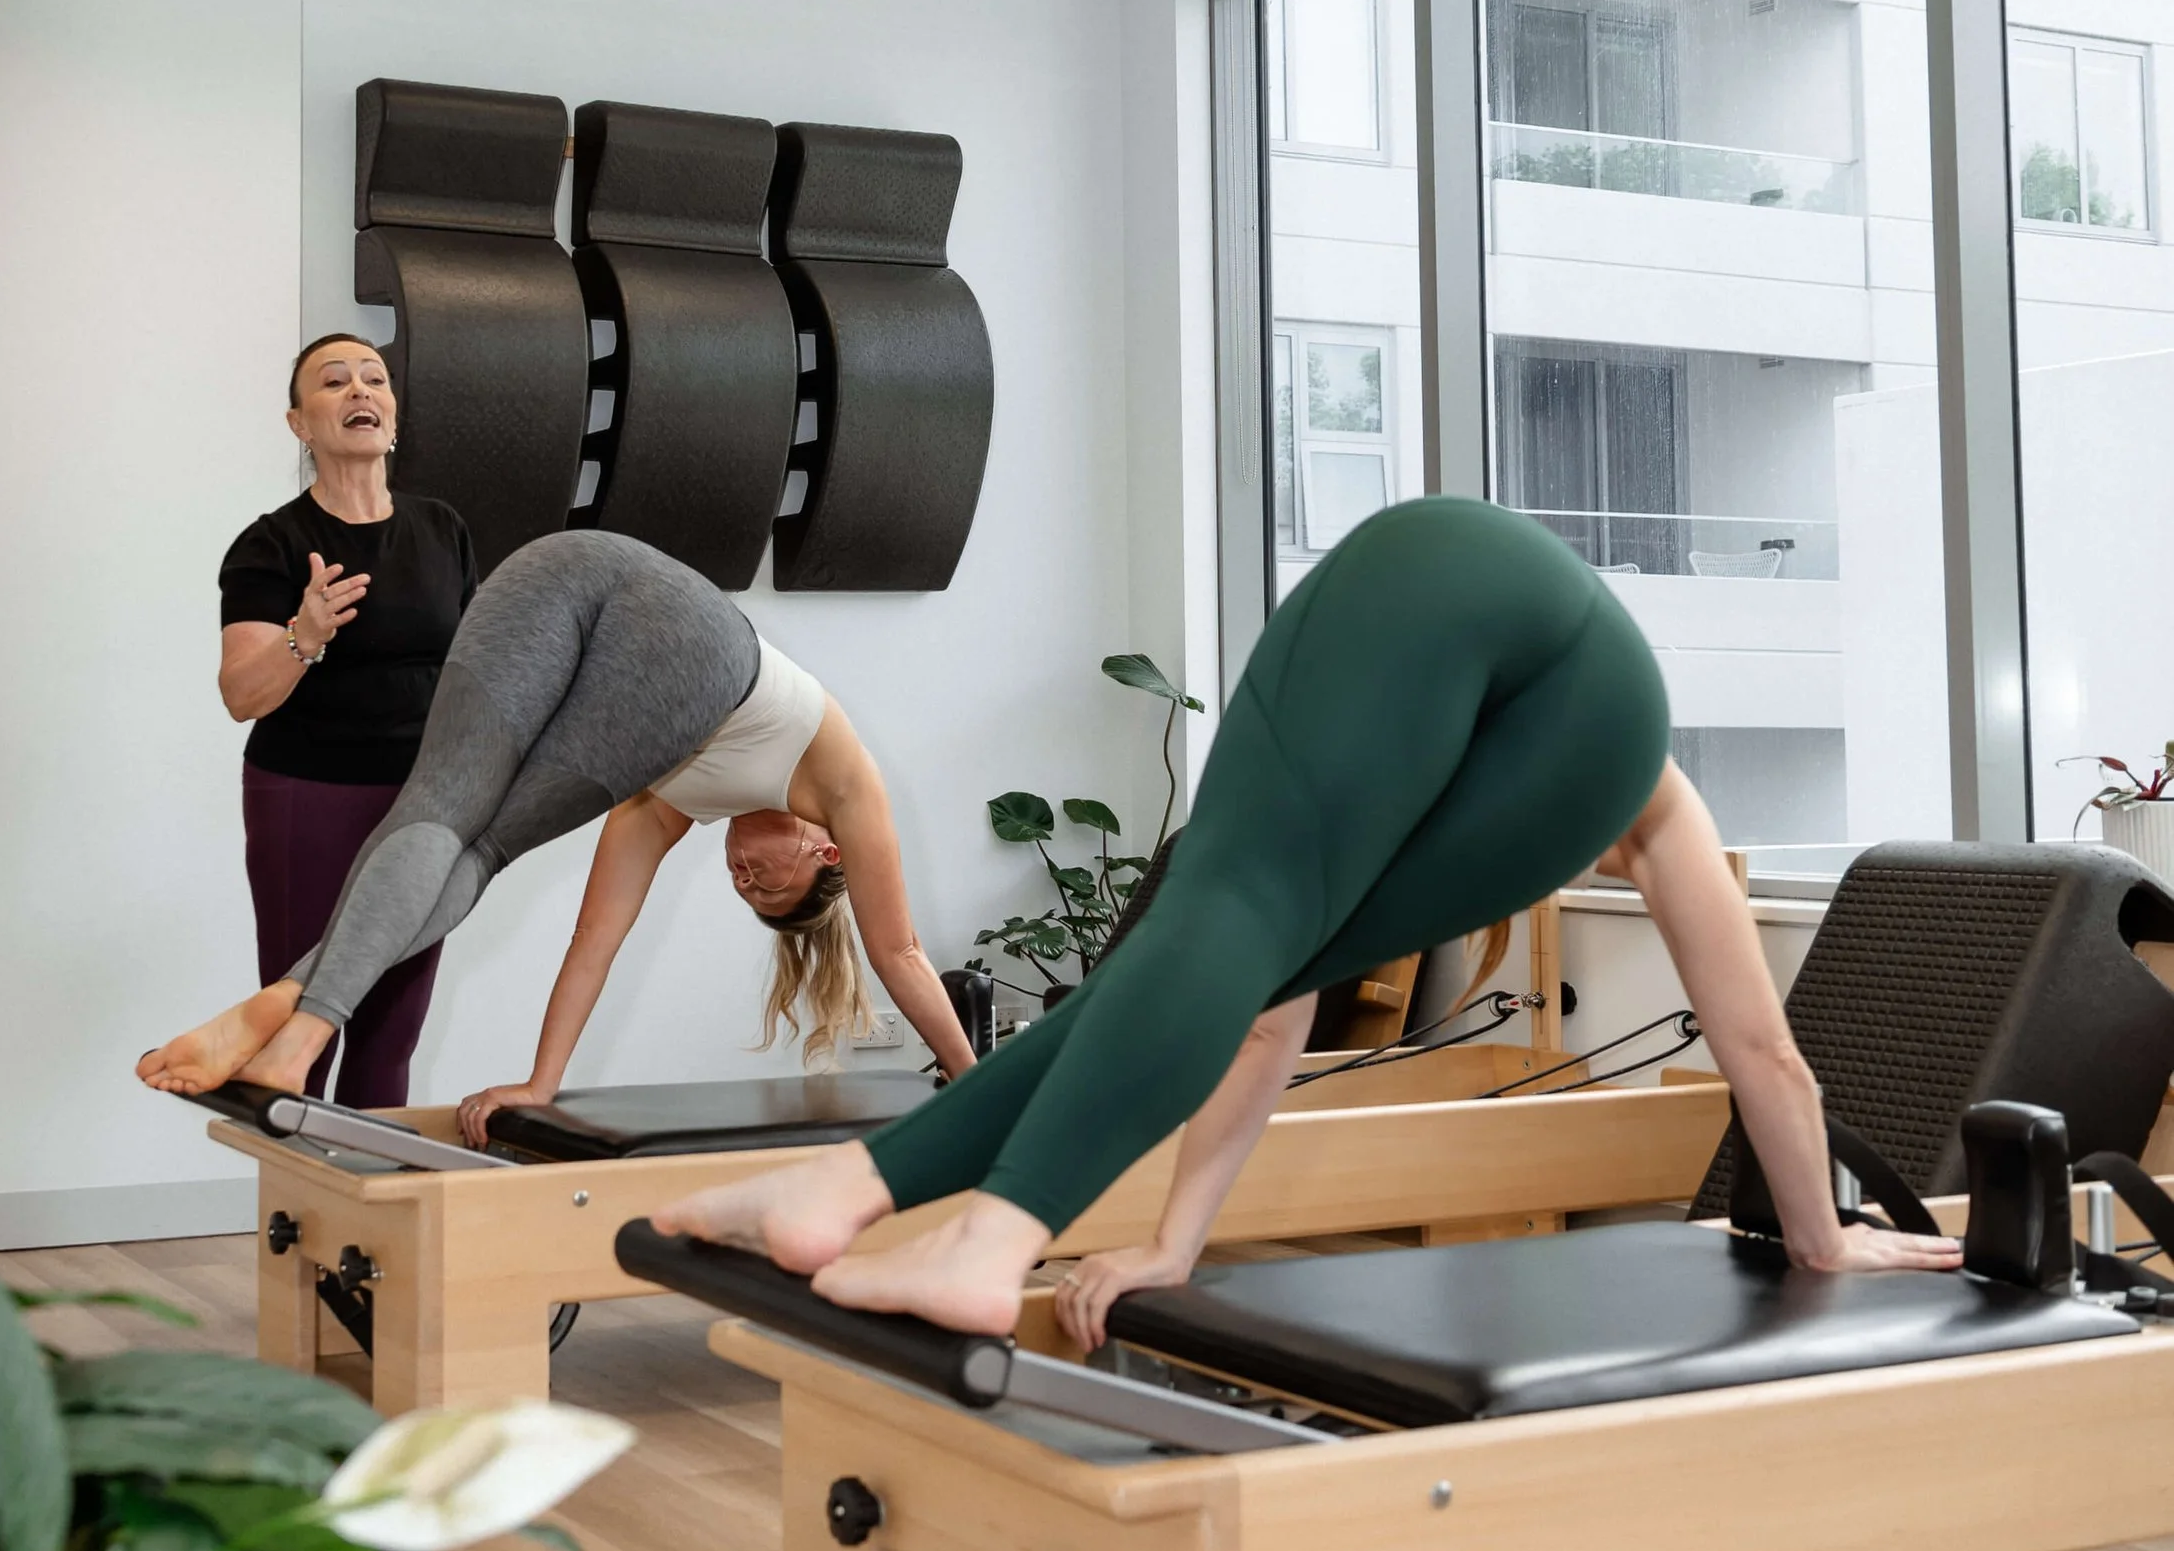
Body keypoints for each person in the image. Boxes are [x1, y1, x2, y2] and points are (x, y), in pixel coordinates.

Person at [652, 495, 1964, 1333]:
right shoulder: (1640, 786)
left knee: (1226, 930)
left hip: (1402, 558)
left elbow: (1261, 1023)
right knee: (1246, 915)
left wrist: (1175, 1243)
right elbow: (1764, 1053)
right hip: (1483, 615)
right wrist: (1818, 1231)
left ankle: (848, 1189)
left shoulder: (1482, 773)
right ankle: (990, 1239)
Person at [139, 530, 977, 1105]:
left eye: (746, 894)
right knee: (483, 838)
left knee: (443, 813)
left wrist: (541, 1082)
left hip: (555, 568)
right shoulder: (848, 787)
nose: (745, 876)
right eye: (770, 881)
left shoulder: (664, 803)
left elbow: (592, 946)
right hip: (692, 642)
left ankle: (289, 1004)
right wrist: (983, 1091)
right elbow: (897, 951)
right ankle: (299, 1044)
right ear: (827, 853)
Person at [214, 333, 477, 1108]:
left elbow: (470, 669)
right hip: (308, 796)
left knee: (392, 1029)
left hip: (425, 805)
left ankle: (374, 1222)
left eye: (374, 379)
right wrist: (307, 636)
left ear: (392, 414)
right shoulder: (272, 543)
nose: (360, 391)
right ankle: (295, 1218)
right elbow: (241, 695)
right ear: (300, 423)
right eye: (334, 382)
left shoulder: (442, 530)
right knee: (301, 1019)